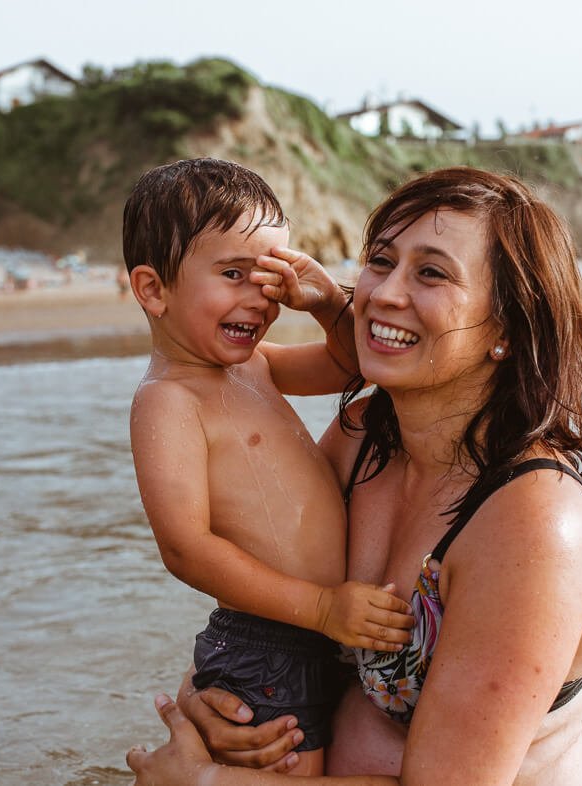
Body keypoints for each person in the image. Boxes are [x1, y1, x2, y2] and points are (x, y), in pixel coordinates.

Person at [128, 167, 582, 785]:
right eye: (381, 261)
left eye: (432, 272)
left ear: (507, 328)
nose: (384, 294)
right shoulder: (364, 439)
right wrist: (214, 700)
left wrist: (207, 781)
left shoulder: (534, 526)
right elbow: (272, 588)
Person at [125, 159, 413, 777]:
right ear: (153, 289)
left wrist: (326, 302)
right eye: (233, 274)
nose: (259, 298)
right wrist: (320, 608)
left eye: (269, 279)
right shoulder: (168, 400)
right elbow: (185, 548)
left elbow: (351, 364)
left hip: (320, 628)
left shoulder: (256, 365)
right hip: (270, 642)